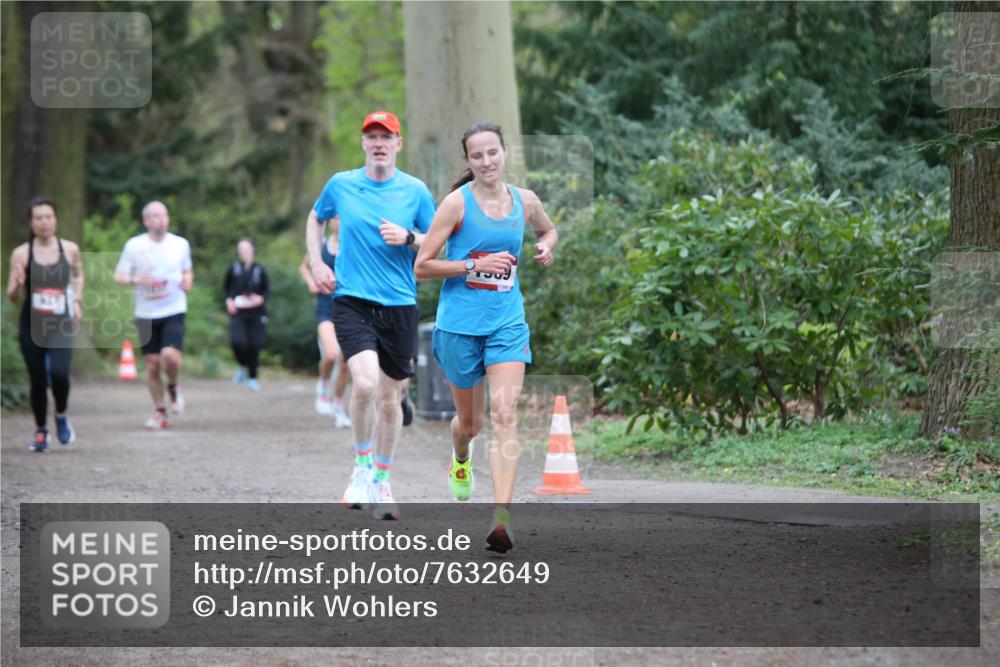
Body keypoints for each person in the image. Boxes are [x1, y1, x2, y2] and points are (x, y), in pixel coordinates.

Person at [414, 121, 557, 553]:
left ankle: (501, 518)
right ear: (469, 161)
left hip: (506, 323)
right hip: (459, 327)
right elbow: (422, 266)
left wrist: (548, 244)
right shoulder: (456, 205)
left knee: (506, 412)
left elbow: (547, 229)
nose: (486, 161)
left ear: (504, 152)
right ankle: (461, 457)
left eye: (492, 153)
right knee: (471, 424)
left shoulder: (525, 201)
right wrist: (474, 267)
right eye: (477, 156)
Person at [306, 110, 435, 520]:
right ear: (363, 144)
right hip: (352, 301)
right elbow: (315, 217)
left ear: (399, 144)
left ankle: (382, 478)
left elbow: (438, 244)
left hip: (399, 304)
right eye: (372, 136)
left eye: (387, 136)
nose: (378, 143)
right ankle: (360, 468)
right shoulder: (341, 185)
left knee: (390, 399)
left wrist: (409, 237)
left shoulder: (415, 192)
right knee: (363, 384)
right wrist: (317, 262)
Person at [6, 197, 84, 451]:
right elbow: (12, 296)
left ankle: (61, 415)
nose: (44, 222)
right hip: (31, 325)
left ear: (56, 219)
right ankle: (41, 431)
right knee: (38, 379)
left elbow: (78, 275)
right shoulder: (21, 253)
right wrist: (17, 282)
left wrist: (77, 301)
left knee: (60, 374)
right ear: (31, 222)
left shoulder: (70, 249)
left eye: (48, 216)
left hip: (60, 324)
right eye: (38, 218)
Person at [115, 201, 193, 430]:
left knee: (170, 356)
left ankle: (173, 384)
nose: (161, 219)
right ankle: (160, 411)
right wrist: (136, 279)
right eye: (155, 216)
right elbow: (119, 276)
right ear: (146, 221)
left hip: (173, 308)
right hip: (146, 313)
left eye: (164, 215)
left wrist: (188, 280)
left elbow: (187, 270)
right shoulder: (134, 246)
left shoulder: (180, 244)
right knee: (152, 366)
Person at [298, 226, 352, 427]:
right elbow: (303, 266)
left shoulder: (352, 244)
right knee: (330, 354)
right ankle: (323, 385)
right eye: (336, 217)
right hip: (325, 309)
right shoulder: (321, 244)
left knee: (345, 362)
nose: (339, 221)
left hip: (348, 309)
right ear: (330, 221)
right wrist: (311, 282)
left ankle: (338, 406)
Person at [224, 238, 270, 392]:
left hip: (256, 313)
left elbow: (267, 290)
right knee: (238, 342)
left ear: (252, 250)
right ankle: (242, 365)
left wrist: (260, 299)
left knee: (255, 345)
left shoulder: (259, 270)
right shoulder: (234, 268)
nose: (243, 252)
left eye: (246, 249)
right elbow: (226, 288)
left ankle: (252, 377)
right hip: (238, 313)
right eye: (240, 249)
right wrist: (229, 301)